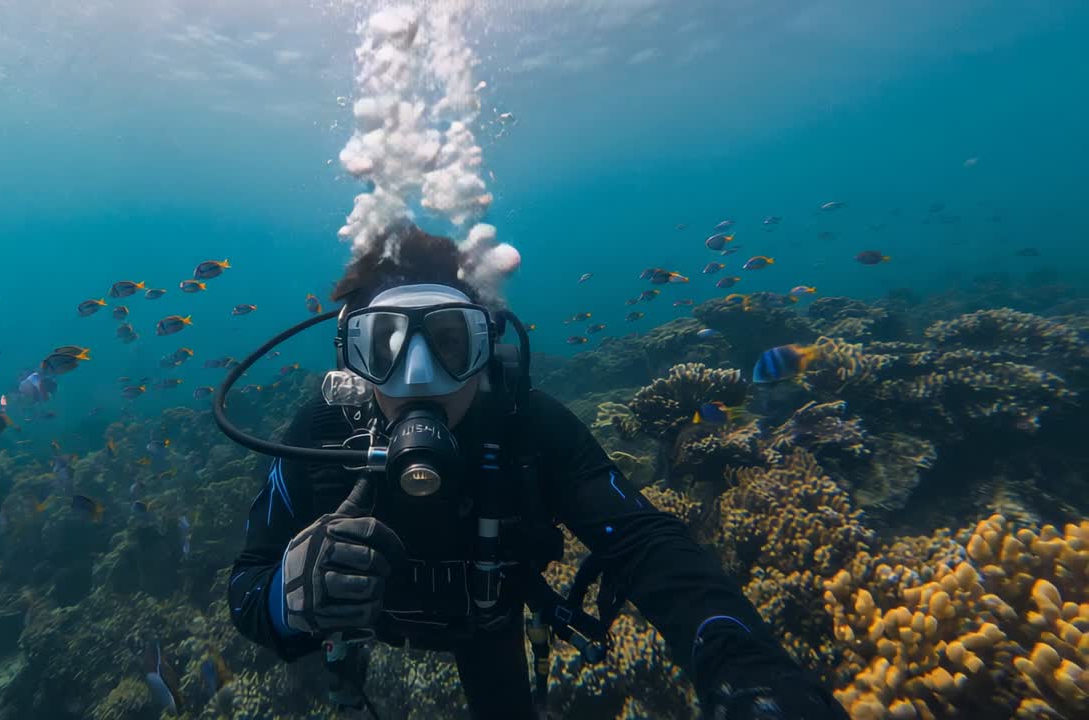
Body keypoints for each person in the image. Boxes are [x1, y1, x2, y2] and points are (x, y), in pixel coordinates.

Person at [227, 225, 848, 720]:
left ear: (487, 345)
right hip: (367, 628)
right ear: (352, 358)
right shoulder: (322, 435)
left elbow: (643, 543)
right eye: (384, 344)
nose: (418, 376)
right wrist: (287, 598)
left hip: (487, 623)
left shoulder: (526, 425)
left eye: (448, 342)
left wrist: (748, 676)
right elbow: (248, 583)